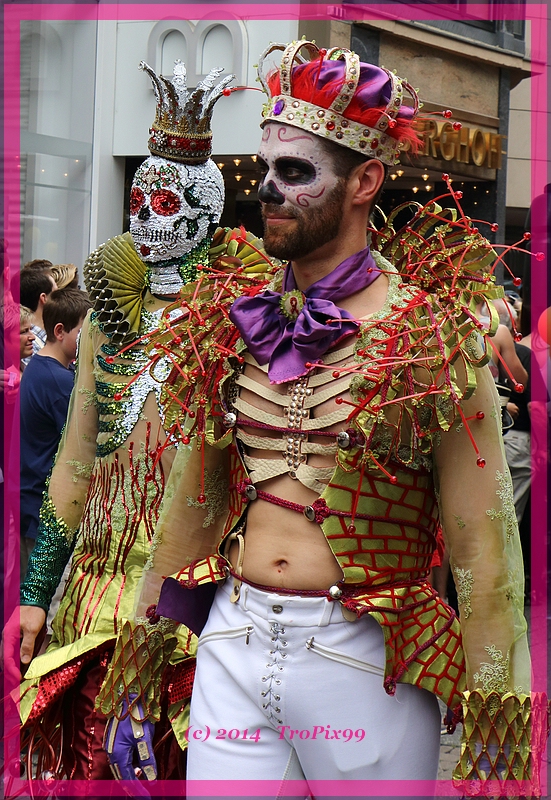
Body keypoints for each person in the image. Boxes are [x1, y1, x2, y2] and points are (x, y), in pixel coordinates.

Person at [105, 43, 539, 789]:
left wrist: (500, 716)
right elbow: (191, 503)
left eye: (295, 172)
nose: (267, 190)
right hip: (231, 643)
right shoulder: (228, 318)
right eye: (265, 169)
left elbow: (484, 546)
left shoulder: (431, 337)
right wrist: (141, 658)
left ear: (365, 180)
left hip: (364, 661)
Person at [8, 59, 269, 781]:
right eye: (137, 200)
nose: (145, 217)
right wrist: (35, 595)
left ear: (203, 211)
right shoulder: (106, 316)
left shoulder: (243, 318)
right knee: (86, 771)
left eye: (163, 204)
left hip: (194, 596)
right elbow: (74, 460)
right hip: (90, 594)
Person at [19, 289, 92, 576]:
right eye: (83, 334)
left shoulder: (39, 367)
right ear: (60, 331)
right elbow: (83, 445)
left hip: (31, 506)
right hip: (44, 513)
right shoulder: (59, 381)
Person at [15, 266, 57, 364]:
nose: (61, 300)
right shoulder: (30, 346)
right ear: (44, 298)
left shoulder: (45, 337)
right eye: (56, 294)